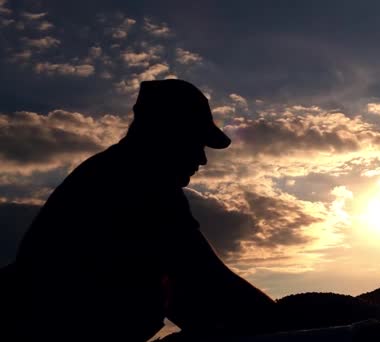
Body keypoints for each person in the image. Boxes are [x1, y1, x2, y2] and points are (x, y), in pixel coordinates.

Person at [12, 79, 279, 342]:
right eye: (196, 141)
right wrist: (286, 324)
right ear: (167, 132)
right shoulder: (138, 181)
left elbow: (182, 294)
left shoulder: (116, 171)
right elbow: (206, 277)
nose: (203, 159)